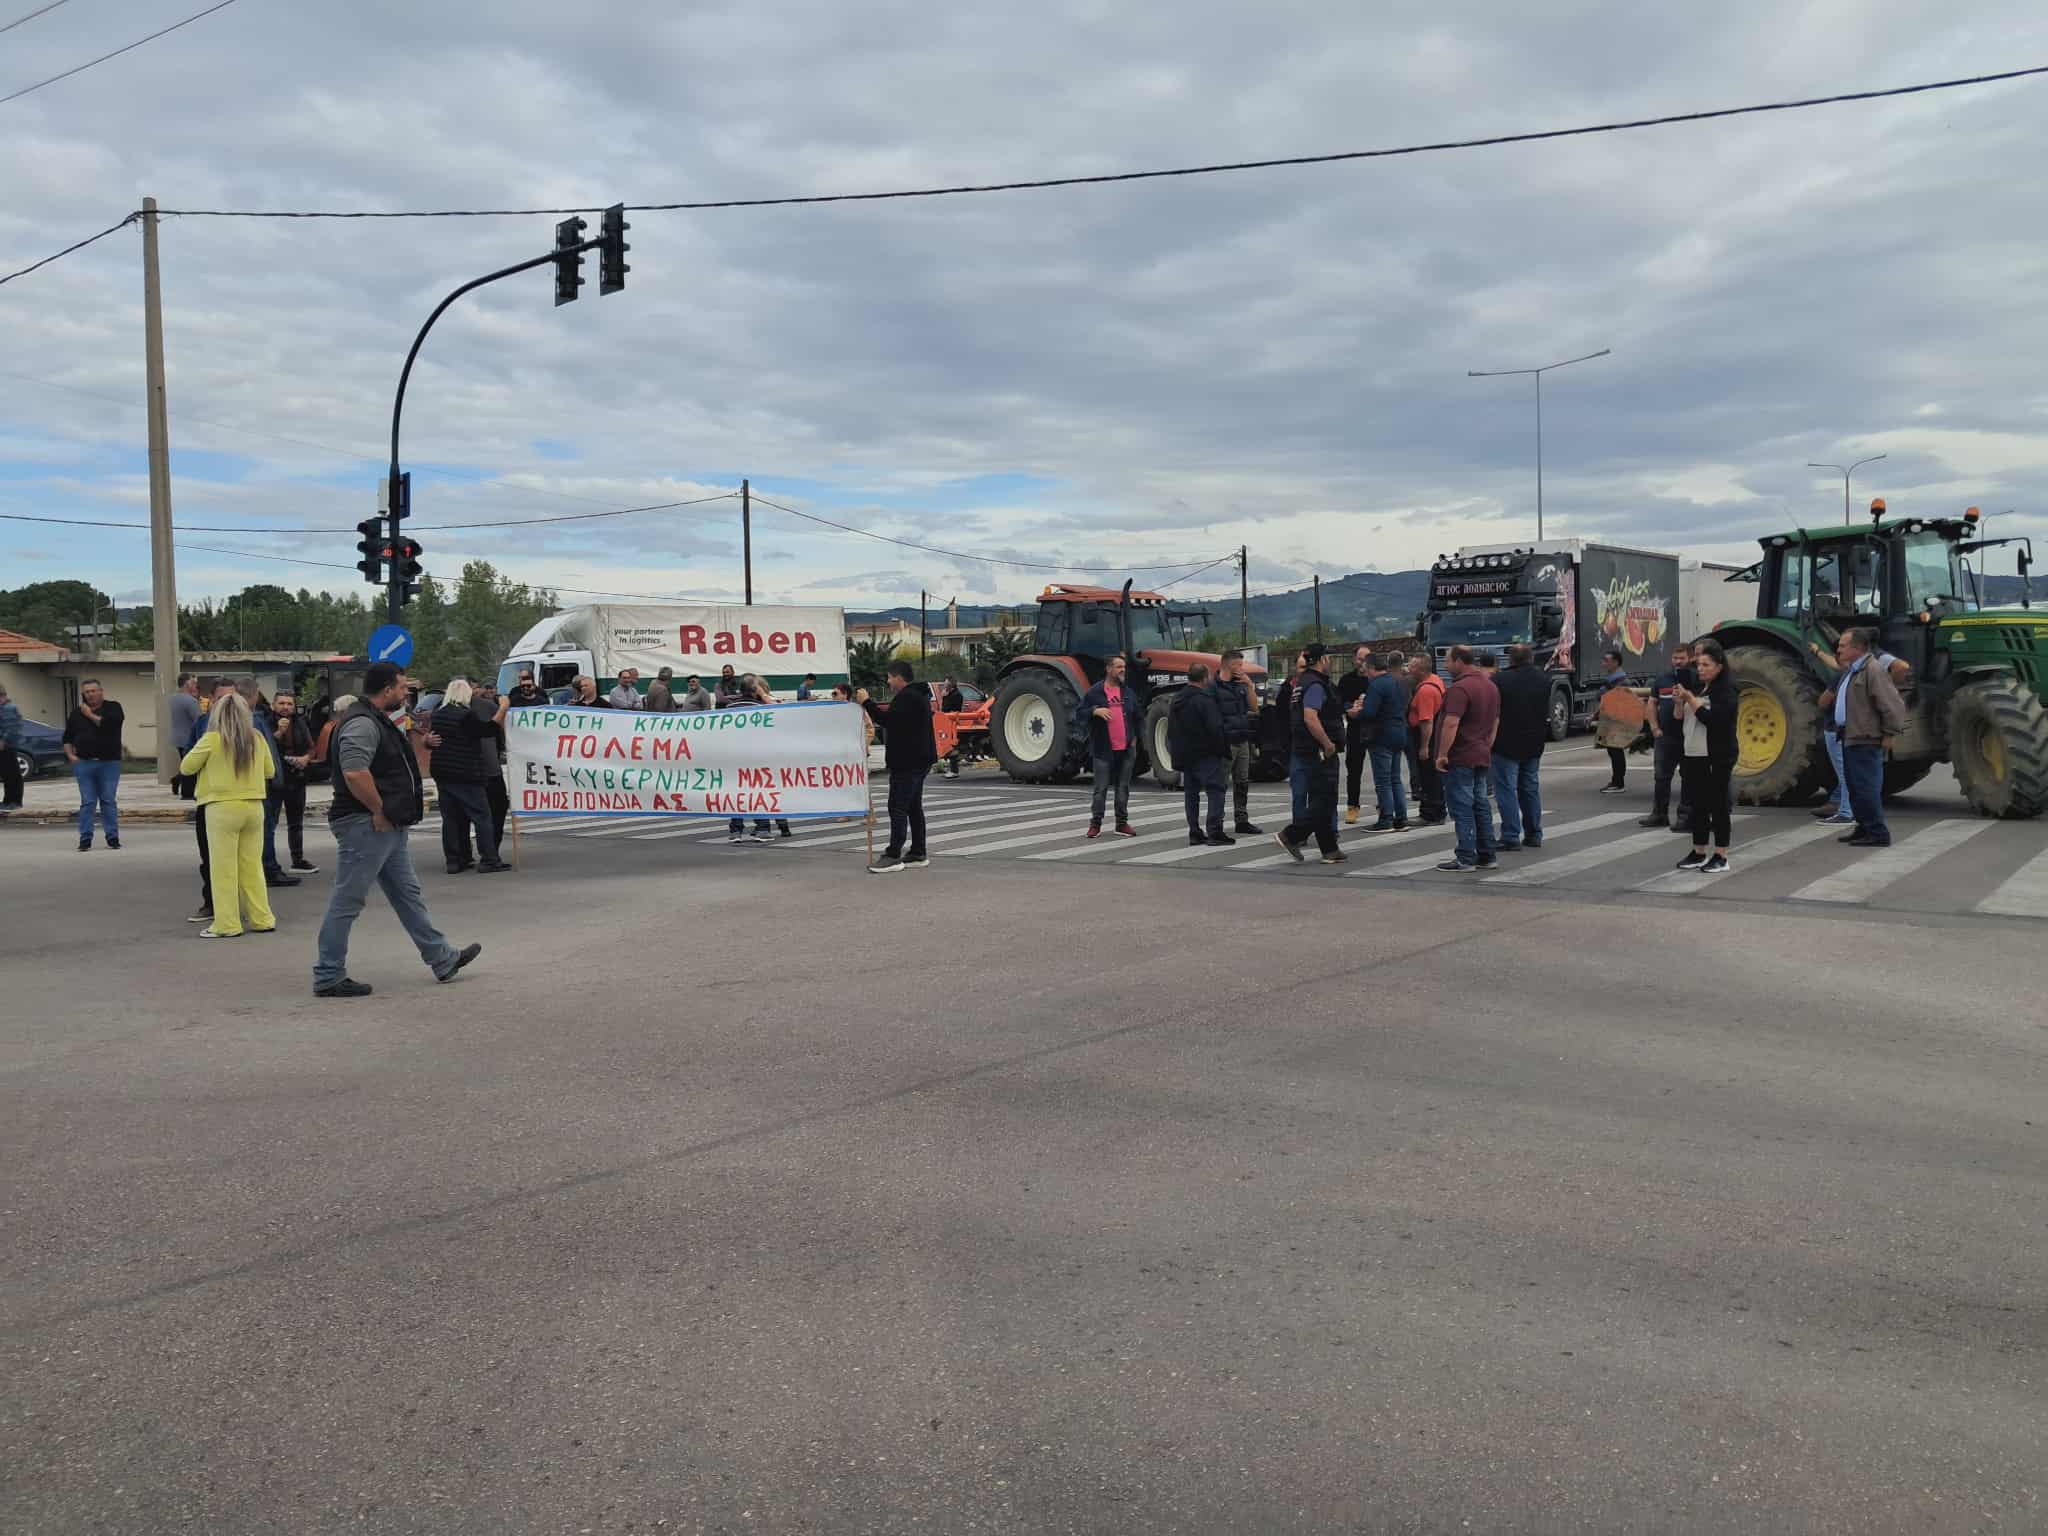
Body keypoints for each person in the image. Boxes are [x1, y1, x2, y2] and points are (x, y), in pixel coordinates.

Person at [312, 662, 481, 998]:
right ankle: (328, 974)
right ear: (387, 689)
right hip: (367, 824)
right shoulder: (362, 723)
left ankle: (442, 958)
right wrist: (378, 810)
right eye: (403, 688)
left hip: (386, 825)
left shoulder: (376, 721)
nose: (407, 693)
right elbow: (355, 773)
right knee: (347, 900)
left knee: (407, 895)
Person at [175, 691, 278, 939]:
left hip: (221, 808)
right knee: (252, 867)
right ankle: (262, 917)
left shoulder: (211, 739)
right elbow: (270, 771)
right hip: (253, 807)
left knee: (223, 869)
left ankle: (227, 923)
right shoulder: (257, 738)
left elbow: (186, 767)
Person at [1832, 626, 1908, 849]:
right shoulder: (1854, 669)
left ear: (1857, 648)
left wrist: (1890, 733)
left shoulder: (1872, 670)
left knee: (1866, 788)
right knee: (1855, 788)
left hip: (1866, 739)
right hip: (1851, 737)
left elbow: (1892, 705)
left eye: (1843, 646)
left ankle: (1877, 833)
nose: (1838, 649)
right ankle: (1863, 827)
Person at [1816, 647, 1912, 823]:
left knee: (1850, 774)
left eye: (1843, 648)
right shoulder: (1864, 671)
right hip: (1859, 731)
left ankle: (1847, 812)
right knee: (1862, 774)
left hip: (1846, 732)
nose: (1839, 653)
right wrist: (1817, 652)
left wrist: (1890, 734)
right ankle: (1862, 816)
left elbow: (1824, 701)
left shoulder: (1856, 674)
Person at [858, 659, 936, 872]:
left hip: (907, 762)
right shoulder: (917, 696)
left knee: (897, 806)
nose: (888, 681)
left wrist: (867, 702)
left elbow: (887, 719)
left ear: (900, 678)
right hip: (919, 760)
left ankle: (893, 855)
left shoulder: (908, 697)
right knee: (913, 807)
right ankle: (918, 852)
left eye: (890, 677)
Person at [1672, 638, 1739, 874]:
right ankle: (1698, 851)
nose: (1700, 669)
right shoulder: (1700, 688)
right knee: (1697, 806)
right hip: (1693, 753)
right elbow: (1680, 717)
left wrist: (1691, 700)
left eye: (1706, 664)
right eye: (1698, 664)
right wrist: (1680, 702)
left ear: (1719, 666)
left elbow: (1716, 721)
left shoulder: (1726, 691)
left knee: (1718, 806)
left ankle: (1721, 854)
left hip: (1716, 755)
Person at [1275, 643, 1345, 864]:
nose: (1331, 661)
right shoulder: (1315, 685)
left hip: (1306, 748)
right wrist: (1327, 743)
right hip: (1319, 751)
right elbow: (1310, 717)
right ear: (1322, 659)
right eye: (1329, 657)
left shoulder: (1302, 683)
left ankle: (1329, 850)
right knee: (1324, 800)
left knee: (1320, 799)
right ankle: (1291, 835)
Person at [1433, 645, 1500, 872]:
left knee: (1462, 807)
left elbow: (1451, 723)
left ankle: (1465, 857)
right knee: (1481, 804)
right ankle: (1487, 855)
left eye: (1448, 661)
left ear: (1460, 661)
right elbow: (1495, 723)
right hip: (1481, 753)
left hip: (1461, 756)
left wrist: (1442, 754)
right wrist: (1486, 745)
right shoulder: (1490, 687)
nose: (1445, 665)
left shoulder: (1460, 689)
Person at [432, 679, 510, 872]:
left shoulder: (438, 714)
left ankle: (454, 860)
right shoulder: (465, 716)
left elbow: (435, 739)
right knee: (482, 816)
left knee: (450, 818)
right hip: (465, 772)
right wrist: (503, 709)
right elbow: (488, 730)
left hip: (443, 772)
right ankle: (489, 860)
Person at [237, 677, 296, 889]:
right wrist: (274, 778)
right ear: (253, 695)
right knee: (266, 828)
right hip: (263, 784)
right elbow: (265, 753)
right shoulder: (253, 720)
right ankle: (269, 868)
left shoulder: (249, 719)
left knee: (265, 828)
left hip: (259, 784)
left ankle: (266, 868)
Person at [1490, 644, 1549, 850]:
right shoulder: (1544, 678)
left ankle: (1510, 835)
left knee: (1506, 790)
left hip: (1506, 742)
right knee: (1530, 788)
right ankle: (1534, 833)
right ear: (1531, 658)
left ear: (1511, 660)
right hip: (1534, 741)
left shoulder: (1500, 680)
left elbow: (1494, 712)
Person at [1076, 654, 1142, 837]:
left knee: (1123, 788)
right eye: (1119, 667)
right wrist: (1094, 710)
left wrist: (1135, 737)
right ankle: (1095, 824)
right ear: (1108, 669)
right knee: (1101, 789)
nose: (1122, 670)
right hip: (1103, 750)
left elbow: (1138, 716)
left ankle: (1122, 823)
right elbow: (1079, 713)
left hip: (1127, 749)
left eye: (1124, 667)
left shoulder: (1128, 692)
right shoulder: (1095, 692)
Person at [1168, 662, 1232, 845]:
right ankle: (1215, 832)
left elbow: (1171, 728)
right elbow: (1215, 728)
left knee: (1191, 794)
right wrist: (1223, 750)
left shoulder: (1177, 699)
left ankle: (1194, 831)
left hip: (1185, 755)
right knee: (1216, 791)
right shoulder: (1204, 700)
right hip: (1206, 754)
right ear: (1205, 678)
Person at [722, 675, 792, 841]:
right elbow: (783, 714)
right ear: (755, 691)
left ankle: (735, 831)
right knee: (757, 791)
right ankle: (762, 828)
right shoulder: (760, 707)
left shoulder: (730, 707)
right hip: (756, 756)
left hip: (735, 756)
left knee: (737, 792)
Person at [62, 678, 124, 851]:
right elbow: (67, 737)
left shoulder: (113, 708)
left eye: (93, 691)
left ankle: (112, 837)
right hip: (84, 763)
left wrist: (89, 714)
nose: (90, 694)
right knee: (88, 802)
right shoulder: (76, 714)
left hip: (109, 763)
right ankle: (85, 838)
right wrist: (71, 756)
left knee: (107, 800)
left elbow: (108, 726)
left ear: (101, 691)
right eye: (86, 692)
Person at [1641, 642, 1697, 831]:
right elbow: (1651, 703)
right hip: (1666, 737)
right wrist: (1655, 728)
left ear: (1691, 658)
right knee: (1661, 777)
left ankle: (1685, 817)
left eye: (1682, 658)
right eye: (1675, 658)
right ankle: (1659, 814)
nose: (1678, 662)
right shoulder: (1663, 679)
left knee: (1689, 777)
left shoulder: (1696, 679)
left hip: (1689, 737)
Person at [1354, 652, 1410, 832]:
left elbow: (1370, 712)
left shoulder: (1376, 685)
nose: (1364, 671)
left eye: (1365, 668)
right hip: (1399, 732)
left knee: (1383, 780)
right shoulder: (1397, 682)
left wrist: (1356, 712)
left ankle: (1386, 819)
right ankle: (1401, 819)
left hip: (1382, 736)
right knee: (1395, 779)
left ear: (1371, 668)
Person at [270, 689, 321, 874]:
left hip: (297, 777)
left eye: (289, 704)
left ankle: (297, 859)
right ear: (274, 705)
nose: (285, 707)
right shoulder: (266, 721)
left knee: (296, 822)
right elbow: (265, 746)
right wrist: (279, 732)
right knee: (270, 822)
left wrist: (306, 758)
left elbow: (311, 747)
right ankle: (268, 862)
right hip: (275, 777)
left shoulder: (300, 722)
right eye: (282, 703)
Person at [1213, 649, 1262, 835]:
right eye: (1239, 665)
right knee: (1221, 783)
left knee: (1242, 781)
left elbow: (1254, 707)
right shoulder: (1214, 686)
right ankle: (1216, 822)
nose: (1242, 668)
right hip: (1226, 741)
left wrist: (1249, 685)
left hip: (1242, 739)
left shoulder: (1241, 684)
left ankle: (1242, 820)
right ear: (1228, 665)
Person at [1406, 655, 1446, 825]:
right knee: (1432, 776)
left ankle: (1431, 813)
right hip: (1433, 736)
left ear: (1421, 670)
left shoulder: (1425, 691)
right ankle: (1435, 810)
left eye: (1412, 666)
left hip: (1425, 737)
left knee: (1428, 776)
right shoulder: (1435, 680)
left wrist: (1424, 747)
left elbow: (1426, 721)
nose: (1409, 669)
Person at [474, 680, 511, 850]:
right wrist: (503, 708)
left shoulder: (443, 710)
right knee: (495, 808)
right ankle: (490, 852)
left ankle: (460, 856)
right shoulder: (485, 706)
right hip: (488, 769)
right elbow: (497, 728)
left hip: (466, 770)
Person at [1339, 644, 1372, 825]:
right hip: (1355, 729)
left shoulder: (1376, 679)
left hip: (1374, 729)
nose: (1362, 663)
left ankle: (1384, 806)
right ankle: (1353, 806)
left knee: (1381, 770)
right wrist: (1348, 709)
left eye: (1366, 659)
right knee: (1353, 769)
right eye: (1360, 659)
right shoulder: (1346, 680)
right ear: (1354, 660)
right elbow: (1340, 701)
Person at [1599, 650, 1631, 793]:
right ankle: (1617, 781)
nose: (1603, 663)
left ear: (1616, 662)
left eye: (1606, 660)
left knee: (1616, 751)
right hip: (1610, 719)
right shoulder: (1612, 679)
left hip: (1617, 721)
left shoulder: (1621, 681)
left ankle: (1618, 782)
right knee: (1613, 751)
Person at [166, 674, 201, 799]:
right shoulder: (190, 701)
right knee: (191, 767)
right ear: (186, 684)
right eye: (193, 683)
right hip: (189, 738)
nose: (195, 685)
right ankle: (187, 793)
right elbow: (198, 719)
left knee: (185, 763)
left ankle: (177, 779)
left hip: (177, 737)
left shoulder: (173, 699)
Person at [0, 683, 24, 813]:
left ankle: (15, 801)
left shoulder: (8, 708)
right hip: (6, 745)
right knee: (6, 774)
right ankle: (8, 800)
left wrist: (3, 740)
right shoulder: (3, 707)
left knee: (12, 774)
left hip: (8, 745)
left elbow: (11, 727)